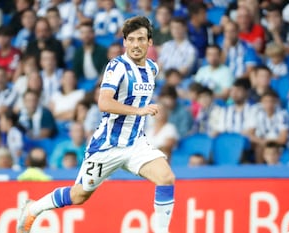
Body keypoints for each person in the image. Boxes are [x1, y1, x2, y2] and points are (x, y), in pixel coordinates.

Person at [17, 16, 175, 233]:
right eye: (131, 40)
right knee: (79, 195)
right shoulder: (117, 67)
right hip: (107, 146)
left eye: (141, 39)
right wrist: (138, 110)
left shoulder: (152, 68)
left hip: (135, 143)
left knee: (166, 178)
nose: (136, 44)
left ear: (150, 42)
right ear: (125, 43)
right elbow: (104, 102)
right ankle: (33, 209)